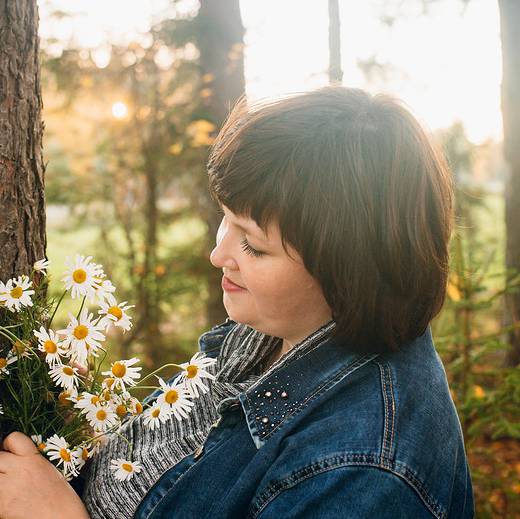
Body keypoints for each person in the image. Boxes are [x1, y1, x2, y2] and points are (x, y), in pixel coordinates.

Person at [0, 86, 474, 518]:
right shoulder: (272, 332)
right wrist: (86, 421)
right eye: (224, 220)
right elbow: (186, 458)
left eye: (253, 245)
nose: (218, 254)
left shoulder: (365, 475)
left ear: (346, 272)